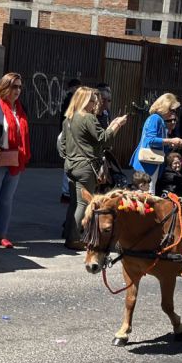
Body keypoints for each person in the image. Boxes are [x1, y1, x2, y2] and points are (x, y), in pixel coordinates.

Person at [62, 87, 128, 249]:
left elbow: (63, 145)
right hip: (85, 167)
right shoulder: (88, 118)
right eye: (92, 100)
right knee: (83, 204)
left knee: (74, 203)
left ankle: (68, 233)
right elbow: (103, 139)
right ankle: (74, 239)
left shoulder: (68, 119)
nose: (95, 103)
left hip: (71, 165)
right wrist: (117, 125)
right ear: (84, 101)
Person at [0, 72, 31, 249]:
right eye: (14, 86)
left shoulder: (20, 108)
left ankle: (2, 235)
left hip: (15, 159)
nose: (18, 90)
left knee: (6, 199)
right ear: (4, 88)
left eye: (20, 87)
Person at [130, 92, 182, 192]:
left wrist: (171, 144)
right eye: (172, 110)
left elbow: (157, 142)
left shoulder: (158, 119)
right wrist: (171, 140)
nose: (174, 113)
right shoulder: (155, 119)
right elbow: (150, 140)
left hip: (151, 164)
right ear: (165, 107)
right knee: (147, 196)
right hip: (147, 165)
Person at [58, 79, 83, 204]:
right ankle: (66, 191)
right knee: (69, 164)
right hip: (69, 135)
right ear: (73, 88)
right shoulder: (71, 100)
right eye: (77, 87)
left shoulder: (69, 99)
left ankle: (66, 191)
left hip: (68, 134)